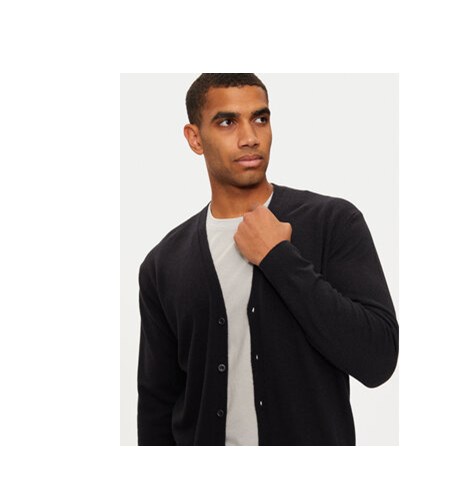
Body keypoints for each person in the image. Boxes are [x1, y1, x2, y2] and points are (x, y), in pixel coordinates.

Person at [137, 73, 399, 446]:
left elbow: (378, 360)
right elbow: (157, 405)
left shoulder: (332, 222)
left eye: (260, 118)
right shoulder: (164, 263)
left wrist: (279, 258)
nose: (250, 137)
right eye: (227, 122)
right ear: (195, 138)